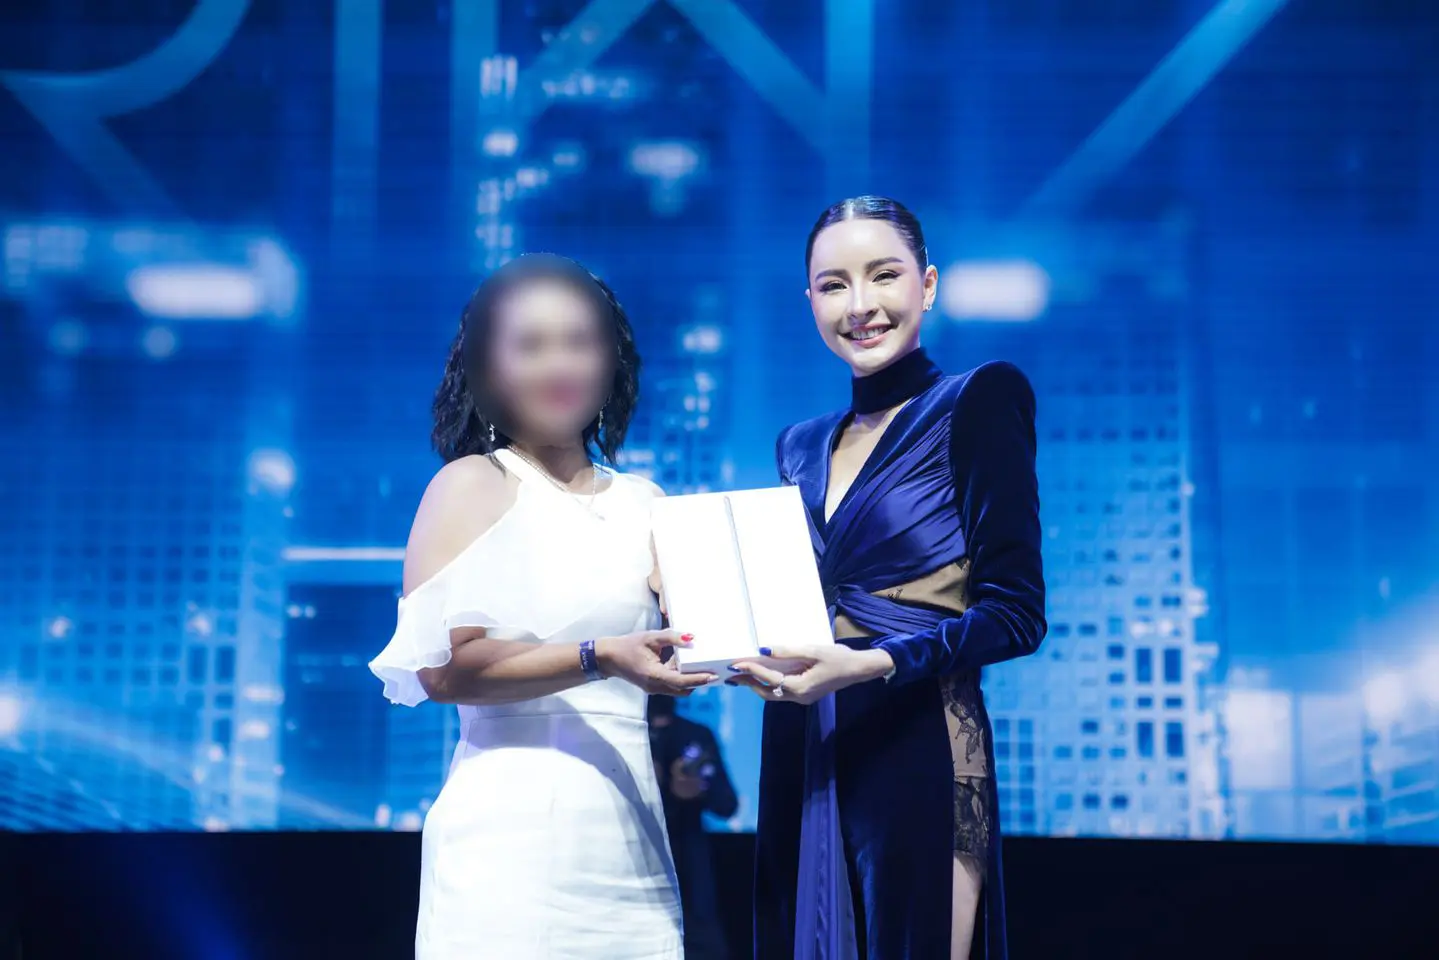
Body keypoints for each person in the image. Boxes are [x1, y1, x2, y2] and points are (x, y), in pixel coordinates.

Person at [368, 253, 717, 960]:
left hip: (631, 846)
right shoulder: (473, 484)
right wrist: (599, 657)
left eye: (578, 342)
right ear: (487, 367)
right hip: (507, 844)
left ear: (612, 360)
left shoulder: (646, 502)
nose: (558, 365)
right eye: (530, 345)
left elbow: (705, 641)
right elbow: (443, 670)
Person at [731, 197, 1047, 960]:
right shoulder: (799, 445)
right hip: (805, 734)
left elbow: (1015, 615)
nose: (859, 305)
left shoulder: (976, 400)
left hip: (920, 736)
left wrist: (871, 662)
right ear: (809, 300)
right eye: (833, 284)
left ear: (927, 285)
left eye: (883, 276)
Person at [647, 695, 739, 960]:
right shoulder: (629, 735)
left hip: (690, 860)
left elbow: (727, 804)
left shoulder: (695, 735)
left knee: (703, 943)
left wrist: (698, 788)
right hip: (639, 852)